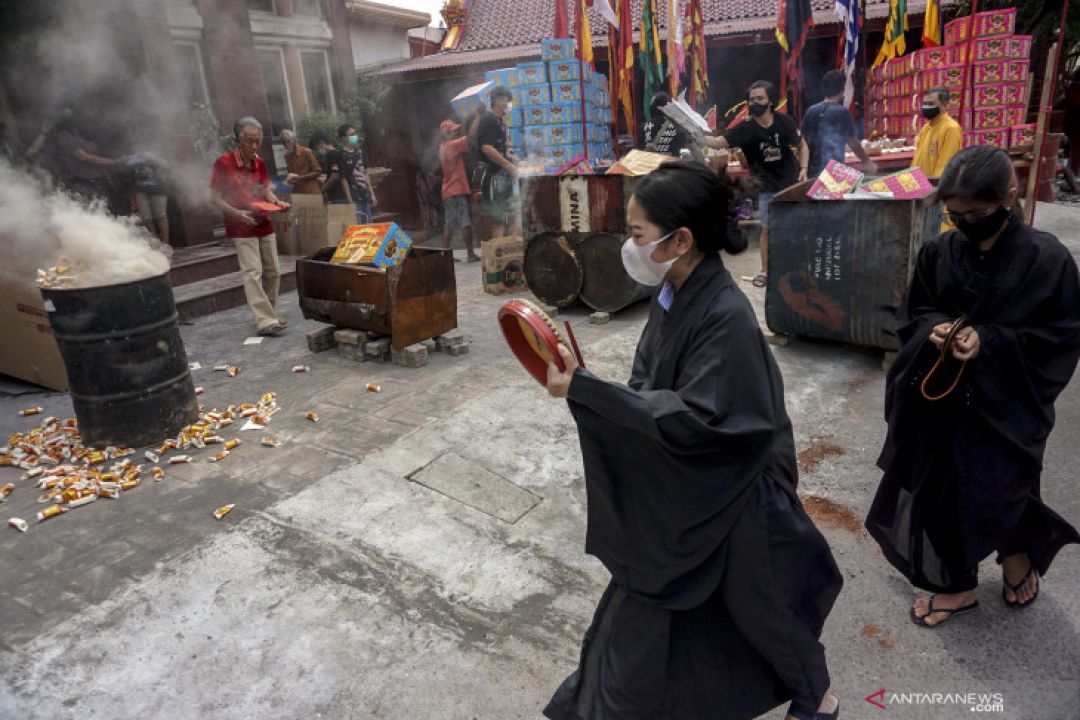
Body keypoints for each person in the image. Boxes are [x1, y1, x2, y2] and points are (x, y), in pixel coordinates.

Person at [543, 161, 843, 720]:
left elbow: (698, 420)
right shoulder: (674, 293)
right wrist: (600, 396)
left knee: (764, 612)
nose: (627, 248)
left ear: (679, 239)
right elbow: (647, 380)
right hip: (688, 483)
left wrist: (591, 395)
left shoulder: (726, 316)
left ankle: (817, 697)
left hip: (736, 487)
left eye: (635, 235)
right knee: (657, 613)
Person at [865, 146, 1080, 628]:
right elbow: (916, 311)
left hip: (1006, 402)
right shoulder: (939, 252)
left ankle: (1015, 552)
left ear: (1010, 195)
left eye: (978, 213)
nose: (966, 222)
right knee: (942, 490)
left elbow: (1061, 335)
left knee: (1003, 482)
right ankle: (957, 585)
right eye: (955, 214)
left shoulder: (1047, 260)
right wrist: (937, 330)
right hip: (940, 403)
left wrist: (991, 340)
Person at [702, 81, 808, 288]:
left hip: (791, 182)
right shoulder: (745, 129)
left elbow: (801, 144)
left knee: (796, 227)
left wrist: (804, 168)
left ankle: (796, 268)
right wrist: (693, 132)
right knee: (768, 229)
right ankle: (765, 271)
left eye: (760, 99)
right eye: (751, 100)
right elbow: (717, 143)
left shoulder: (784, 122)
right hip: (766, 186)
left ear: (770, 101)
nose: (755, 103)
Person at [210, 116, 290, 336]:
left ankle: (269, 314)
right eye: (249, 141)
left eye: (258, 141)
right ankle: (265, 320)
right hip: (241, 224)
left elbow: (265, 190)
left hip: (263, 221)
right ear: (237, 140)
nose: (254, 147)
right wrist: (237, 213)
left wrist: (277, 201)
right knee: (253, 272)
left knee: (273, 271)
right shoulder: (224, 163)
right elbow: (214, 198)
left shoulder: (260, 162)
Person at [801, 69, 877, 178]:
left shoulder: (811, 110)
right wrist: (867, 162)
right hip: (833, 173)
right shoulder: (842, 112)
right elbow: (853, 143)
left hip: (812, 172)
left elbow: (803, 142)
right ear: (842, 89)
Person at [52, 107, 124, 203]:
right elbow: (84, 157)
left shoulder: (82, 137)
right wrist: (114, 161)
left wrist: (108, 177)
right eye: (66, 117)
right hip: (81, 184)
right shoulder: (63, 137)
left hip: (99, 182)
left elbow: (96, 160)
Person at [474, 85, 518, 240]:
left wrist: (514, 160)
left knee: (513, 216)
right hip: (493, 178)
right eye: (507, 100)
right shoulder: (488, 120)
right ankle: (498, 259)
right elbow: (486, 148)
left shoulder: (500, 122)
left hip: (503, 177)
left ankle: (513, 254)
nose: (509, 104)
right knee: (498, 220)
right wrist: (508, 165)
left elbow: (502, 150)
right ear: (499, 100)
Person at [438, 118, 479, 262]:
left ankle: (445, 255)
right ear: (447, 133)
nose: (455, 133)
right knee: (465, 222)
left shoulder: (443, 146)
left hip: (448, 191)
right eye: (453, 131)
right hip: (457, 190)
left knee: (449, 224)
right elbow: (470, 137)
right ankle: (470, 254)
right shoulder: (451, 145)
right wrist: (477, 117)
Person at [323, 123, 376, 224]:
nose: (354, 136)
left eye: (355, 133)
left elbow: (366, 174)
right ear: (344, 138)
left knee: (369, 225)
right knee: (359, 226)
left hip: (365, 194)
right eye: (351, 134)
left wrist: (372, 194)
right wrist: (350, 200)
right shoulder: (340, 155)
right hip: (354, 196)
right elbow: (343, 179)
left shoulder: (360, 152)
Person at [912, 87, 962, 179]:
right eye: (925, 104)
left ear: (945, 103)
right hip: (921, 184)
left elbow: (946, 164)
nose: (926, 107)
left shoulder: (951, 128)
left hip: (934, 187)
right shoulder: (926, 127)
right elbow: (917, 158)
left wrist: (936, 189)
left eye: (931, 104)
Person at [639, 91, 703, 162]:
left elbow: (637, 154)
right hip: (672, 170)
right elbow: (694, 149)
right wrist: (705, 169)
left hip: (651, 170)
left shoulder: (643, 127)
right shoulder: (678, 127)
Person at [128, 151, 170, 245]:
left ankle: (166, 244)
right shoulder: (131, 151)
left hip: (158, 187)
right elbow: (124, 169)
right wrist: (125, 161)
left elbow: (165, 165)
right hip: (140, 189)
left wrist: (150, 156)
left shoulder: (157, 147)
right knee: (145, 218)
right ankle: (156, 243)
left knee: (161, 216)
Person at [280, 129, 322, 196]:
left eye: (288, 141)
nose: (286, 145)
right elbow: (291, 174)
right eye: (284, 143)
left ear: (293, 140)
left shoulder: (306, 152)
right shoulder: (287, 156)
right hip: (298, 192)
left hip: (311, 191)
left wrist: (301, 178)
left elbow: (318, 171)